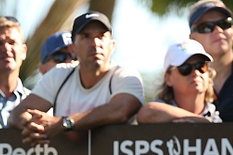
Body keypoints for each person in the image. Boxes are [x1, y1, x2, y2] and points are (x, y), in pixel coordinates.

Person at [8, 11, 144, 143]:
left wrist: (64, 123)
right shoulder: (59, 74)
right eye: (86, 36)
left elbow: (120, 110)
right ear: (73, 49)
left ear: (112, 46)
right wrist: (33, 128)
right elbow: (17, 113)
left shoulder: (126, 76)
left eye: (101, 36)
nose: (95, 43)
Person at [137, 40, 221, 123]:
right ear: (168, 78)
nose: (196, 73)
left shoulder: (215, 116)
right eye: (185, 68)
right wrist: (199, 120)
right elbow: (147, 112)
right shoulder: (158, 112)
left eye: (201, 66)